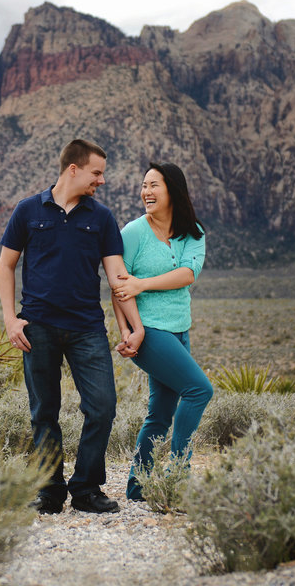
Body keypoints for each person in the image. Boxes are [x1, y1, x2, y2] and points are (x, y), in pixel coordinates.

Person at [0, 139, 146, 515]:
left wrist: (135, 327)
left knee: (103, 407)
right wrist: (10, 318)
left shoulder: (101, 218)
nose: (102, 180)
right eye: (97, 172)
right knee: (44, 411)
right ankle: (49, 492)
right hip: (38, 327)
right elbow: (6, 265)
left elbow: (118, 277)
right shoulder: (28, 210)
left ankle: (86, 489)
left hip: (87, 329)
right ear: (73, 169)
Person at [110, 161, 212, 502]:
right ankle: (177, 476)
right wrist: (127, 329)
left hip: (180, 331)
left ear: (173, 190)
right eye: (144, 186)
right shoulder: (132, 233)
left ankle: (137, 488)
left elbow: (187, 274)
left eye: (153, 185)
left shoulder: (193, 232)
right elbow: (118, 286)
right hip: (150, 331)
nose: (146, 192)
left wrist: (143, 284)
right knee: (199, 390)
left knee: (161, 414)